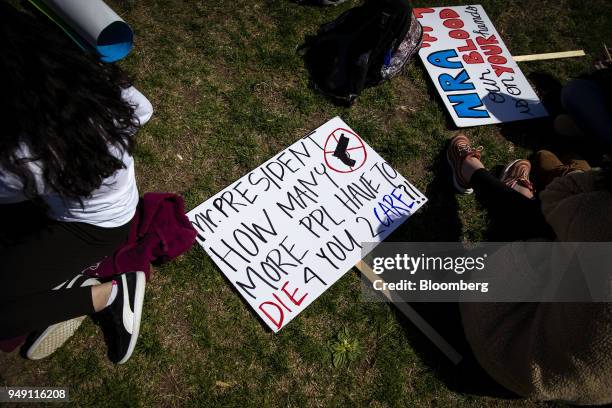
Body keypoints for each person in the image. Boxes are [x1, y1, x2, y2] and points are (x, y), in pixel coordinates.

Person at [0, 3, 152, 364]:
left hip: (89, 230)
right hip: (96, 205)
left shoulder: (23, 158)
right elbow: (143, 110)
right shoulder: (87, 82)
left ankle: (107, 295)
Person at [447, 135, 612, 405]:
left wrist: (592, 179)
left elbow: (553, 200)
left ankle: (470, 170)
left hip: (504, 348)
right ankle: (515, 189)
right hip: (558, 389)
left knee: (539, 225)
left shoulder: (602, 216)